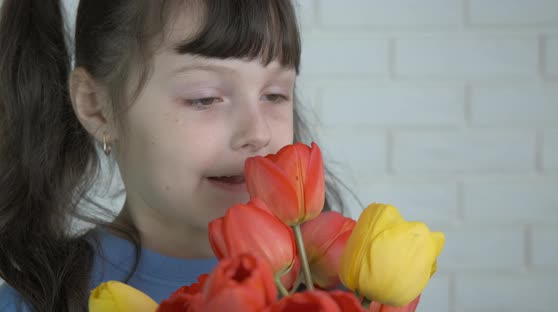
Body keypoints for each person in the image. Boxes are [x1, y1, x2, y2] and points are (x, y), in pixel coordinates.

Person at [0, 1, 347, 311]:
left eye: (274, 95)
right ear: (97, 107)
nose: (258, 133)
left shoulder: (343, 292)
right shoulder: (35, 302)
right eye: (205, 98)